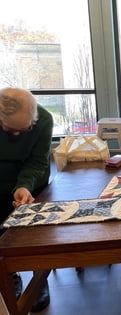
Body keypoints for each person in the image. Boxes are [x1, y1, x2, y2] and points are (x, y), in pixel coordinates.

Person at [0, 87, 53, 312]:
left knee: (33, 236)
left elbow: (38, 162)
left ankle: (38, 278)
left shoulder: (44, 120)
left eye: (25, 129)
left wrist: (24, 185)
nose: (17, 136)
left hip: (31, 184)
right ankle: (9, 276)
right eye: (10, 130)